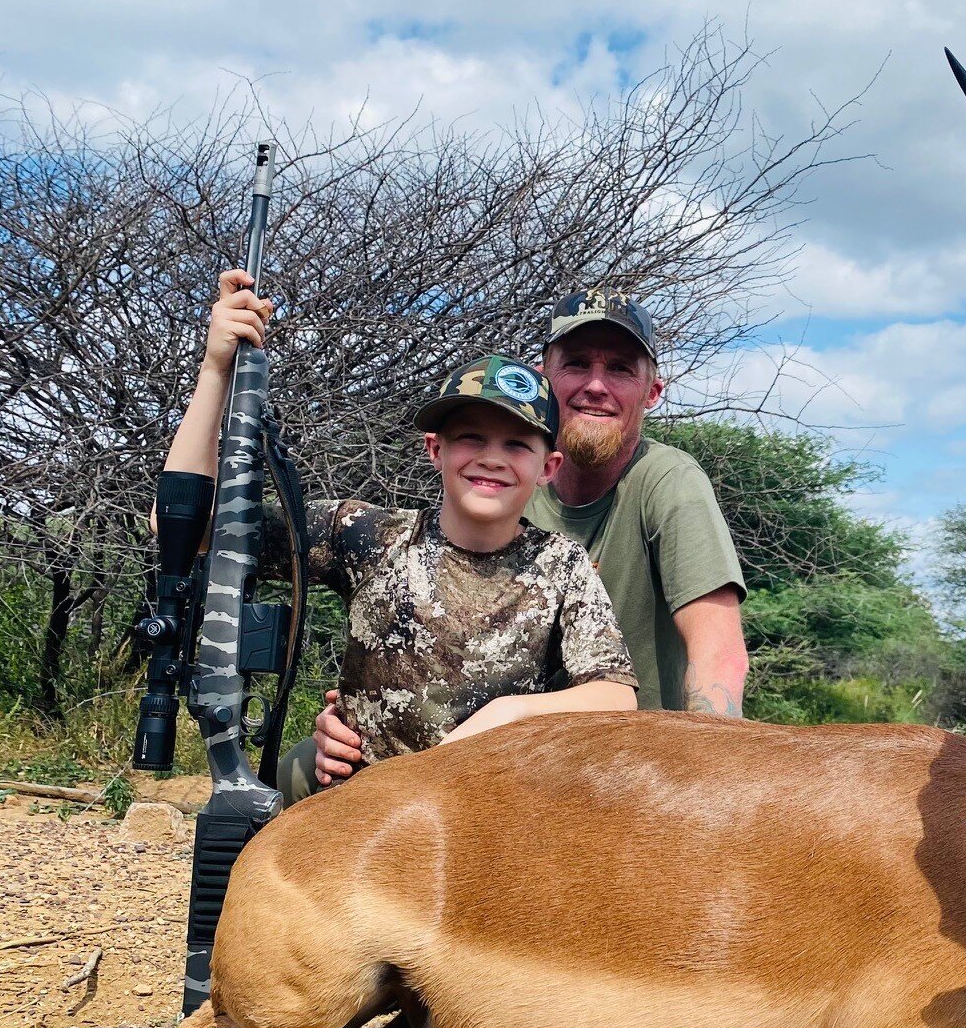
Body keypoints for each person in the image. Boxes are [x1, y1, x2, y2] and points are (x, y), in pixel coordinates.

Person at [167, 271, 640, 805]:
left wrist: (511, 714)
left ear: (548, 467)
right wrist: (214, 371)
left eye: (515, 444)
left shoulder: (562, 564)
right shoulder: (366, 534)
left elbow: (615, 695)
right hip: (357, 804)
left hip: (482, 814)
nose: (491, 457)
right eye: (470, 438)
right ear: (434, 450)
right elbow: (188, 528)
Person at [311, 288, 748, 786]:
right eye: (577, 364)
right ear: (545, 378)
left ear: (652, 392)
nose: (596, 386)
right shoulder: (499, 492)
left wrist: (710, 781)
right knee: (301, 772)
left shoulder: (669, 484)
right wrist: (356, 713)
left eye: (622, 369)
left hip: (628, 769)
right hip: (484, 763)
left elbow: (720, 654)